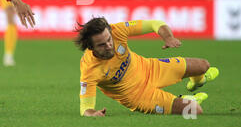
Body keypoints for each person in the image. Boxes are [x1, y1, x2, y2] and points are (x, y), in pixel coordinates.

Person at [75, 17, 219, 116]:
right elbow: (85, 109)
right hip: (139, 96)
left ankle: (197, 82)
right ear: (90, 47)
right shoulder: (90, 70)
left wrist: (168, 37)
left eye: (109, 40)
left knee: (203, 65)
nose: (109, 45)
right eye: (101, 44)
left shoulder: (117, 30)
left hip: (150, 68)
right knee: (195, 109)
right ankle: (186, 99)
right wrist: (93, 114)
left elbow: (154, 24)